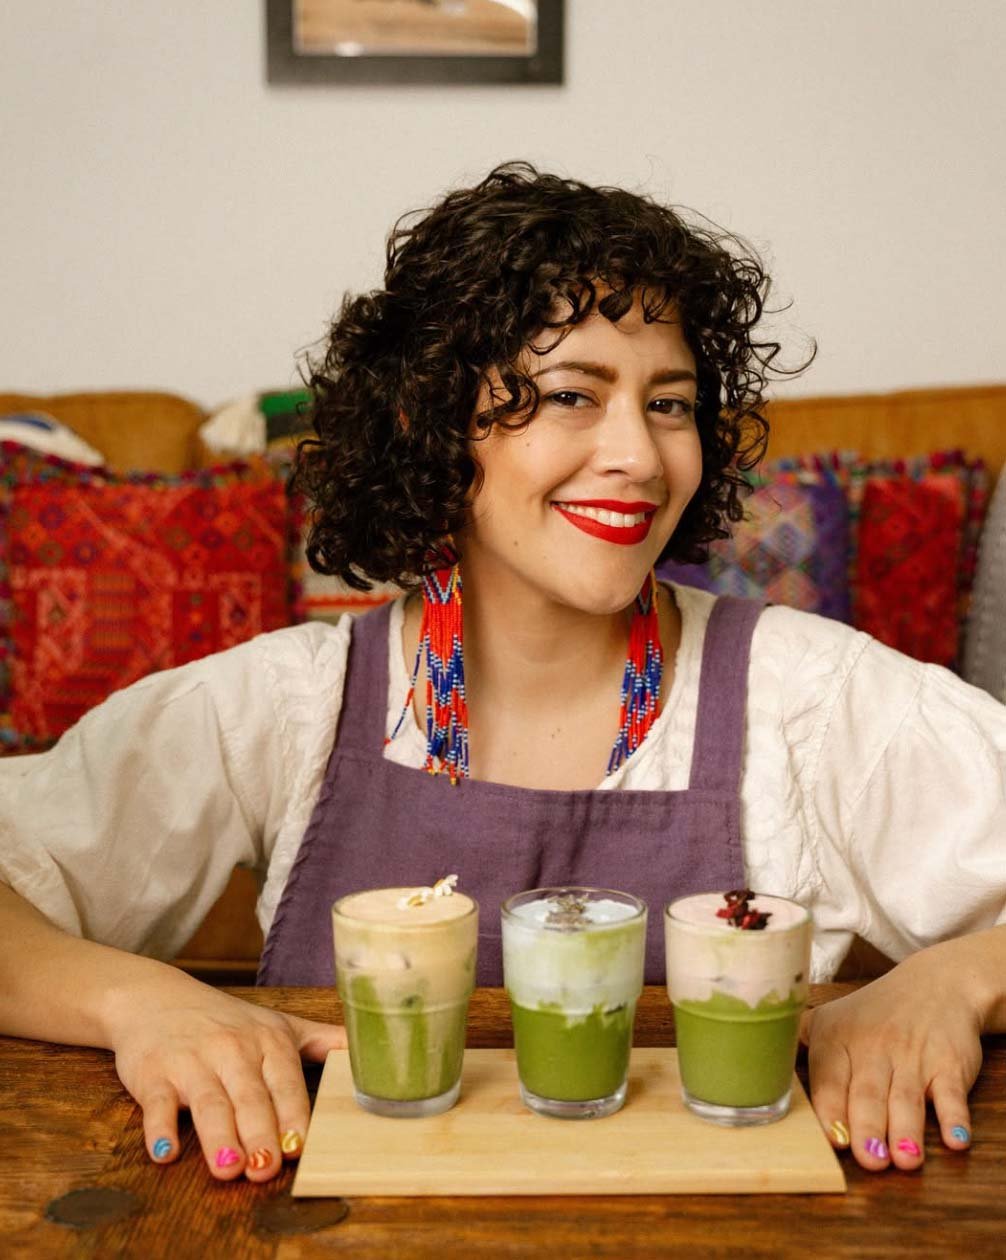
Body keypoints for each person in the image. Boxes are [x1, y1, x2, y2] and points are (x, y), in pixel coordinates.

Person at [1, 162, 1003, 1185]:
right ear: (433, 425)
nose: (640, 457)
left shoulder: (806, 696)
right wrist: (141, 1002)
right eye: (571, 394)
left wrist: (955, 978)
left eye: (669, 404)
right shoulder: (291, 704)